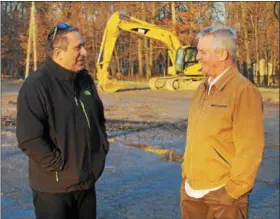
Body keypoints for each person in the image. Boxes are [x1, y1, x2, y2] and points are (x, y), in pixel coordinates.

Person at [16, 22, 109, 219]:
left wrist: (100, 151)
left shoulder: (85, 80)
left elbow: (99, 120)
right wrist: (63, 165)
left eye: (83, 46)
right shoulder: (36, 86)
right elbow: (29, 139)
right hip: (53, 193)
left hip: (86, 185)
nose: (84, 52)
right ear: (59, 54)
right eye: (78, 47)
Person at [180, 25, 264, 219]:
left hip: (222, 197)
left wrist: (232, 193)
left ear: (222, 54)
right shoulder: (202, 88)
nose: (197, 57)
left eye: (203, 52)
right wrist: (186, 177)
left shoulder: (243, 91)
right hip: (192, 193)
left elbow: (250, 150)